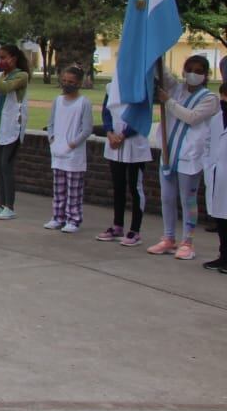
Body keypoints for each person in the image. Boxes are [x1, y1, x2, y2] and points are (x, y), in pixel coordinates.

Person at [148, 56, 217, 259]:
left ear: (205, 74)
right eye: (189, 69)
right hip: (169, 153)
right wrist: (156, 53)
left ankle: (188, 241)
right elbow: (162, 73)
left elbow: (191, 117)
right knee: (167, 198)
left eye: (198, 70)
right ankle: (168, 238)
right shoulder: (176, 88)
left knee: (188, 200)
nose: (192, 74)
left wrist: (167, 101)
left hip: (190, 156)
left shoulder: (209, 98)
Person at [95, 78, 150, 244]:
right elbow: (106, 111)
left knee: (135, 187)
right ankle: (117, 225)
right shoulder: (111, 87)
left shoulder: (141, 87)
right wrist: (109, 132)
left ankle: (135, 230)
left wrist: (124, 134)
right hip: (114, 144)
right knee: (118, 186)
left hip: (134, 144)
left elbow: (141, 114)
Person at [45, 65, 93, 234]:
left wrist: (72, 144)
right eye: (64, 81)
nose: (67, 84)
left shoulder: (83, 102)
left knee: (74, 189)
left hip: (74, 153)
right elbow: (50, 123)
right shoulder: (57, 101)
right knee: (59, 187)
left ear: (79, 83)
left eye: (71, 82)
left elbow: (87, 129)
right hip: (57, 151)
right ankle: (58, 217)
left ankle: (73, 218)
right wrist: (52, 139)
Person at [0, 44, 30, 220]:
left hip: (12, 126)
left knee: (6, 166)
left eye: (4, 57)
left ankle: (9, 206)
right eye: (0, 57)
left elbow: (4, 88)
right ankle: (0, 204)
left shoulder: (21, 76)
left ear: (14, 58)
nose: (1, 61)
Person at [203, 81, 227, 274]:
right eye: (222, 96)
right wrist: (208, 166)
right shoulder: (217, 119)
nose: (224, 101)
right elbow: (208, 144)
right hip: (217, 173)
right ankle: (223, 255)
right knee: (220, 218)